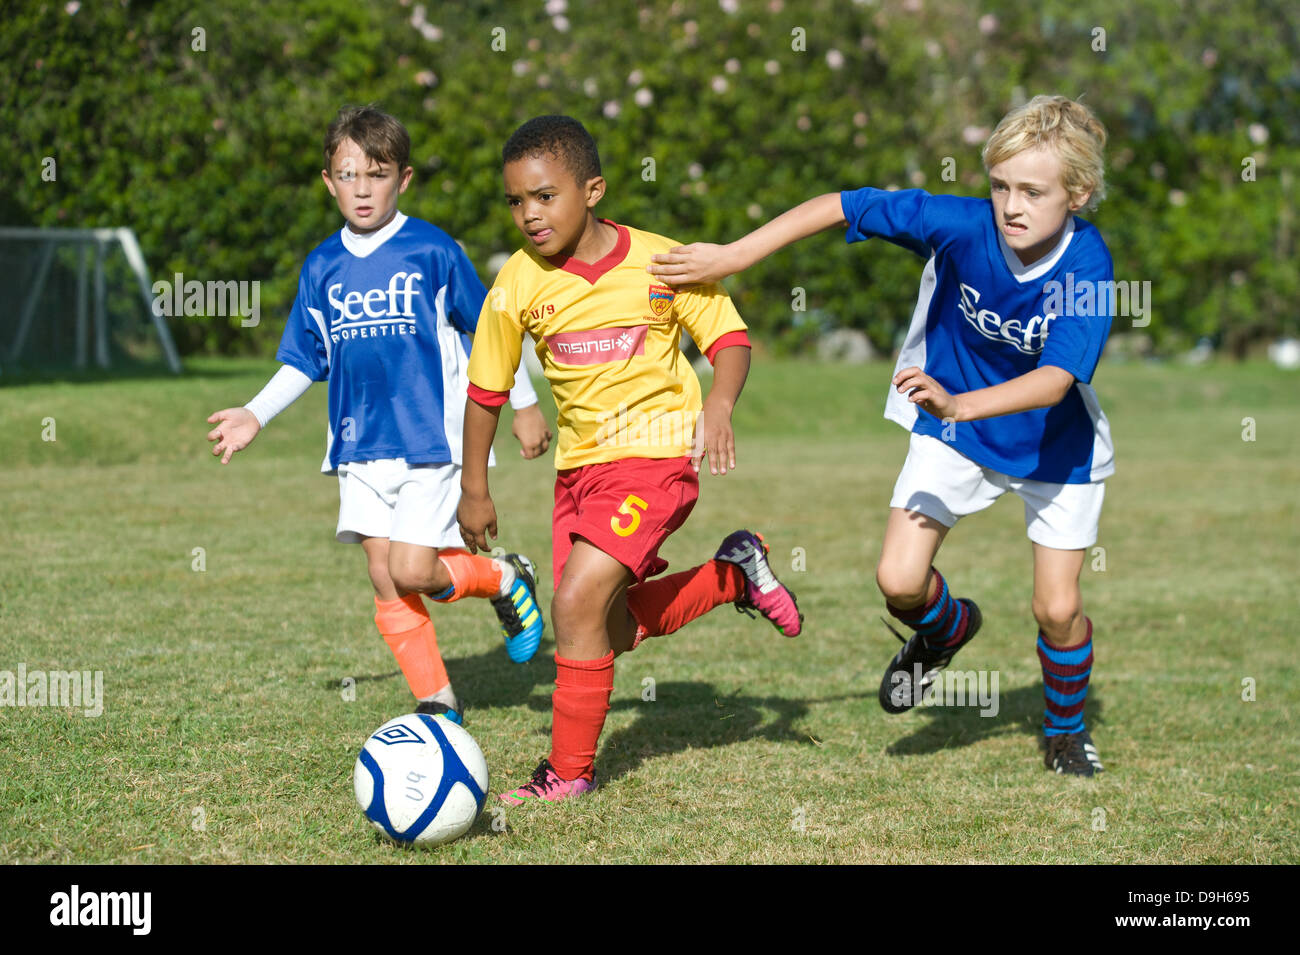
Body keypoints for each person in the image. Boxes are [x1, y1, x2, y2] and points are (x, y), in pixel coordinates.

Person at [649, 95, 1114, 776]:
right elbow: (847, 203)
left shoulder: (1090, 267)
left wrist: (960, 402)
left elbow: (1054, 381)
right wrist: (735, 255)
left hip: (1052, 443)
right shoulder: (960, 225)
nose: (1011, 205)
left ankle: (1066, 731)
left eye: (1033, 191)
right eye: (1001, 185)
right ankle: (949, 629)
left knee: (1057, 605)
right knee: (898, 578)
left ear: (1077, 194)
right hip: (953, 427)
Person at [458, 115, 803, 803]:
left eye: (545, 196)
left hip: (655, 461)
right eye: (515, 202)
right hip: (578, 475)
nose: (528, 215)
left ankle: (568, 772)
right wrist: (475, 487)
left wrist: (720, 405)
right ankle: (732, 574)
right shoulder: (516, 285)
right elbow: (485, 390)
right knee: (603, 629)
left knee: (576, 600)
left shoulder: (662, 260)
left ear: (593, 190)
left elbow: (729, 338)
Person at [205, 106, 553, 723]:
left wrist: (523, 405)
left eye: (377, 174)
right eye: (347, 175)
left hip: (432, 441)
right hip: (357, 447)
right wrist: (255, 415)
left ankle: (502, 580)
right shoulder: (321, 267)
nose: (362, 189)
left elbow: (489, 335)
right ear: (327, 181)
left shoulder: (433, 251)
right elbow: (303, 358)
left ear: (405, 178)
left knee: (414, 568)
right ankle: (437, 704)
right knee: (385, 575)